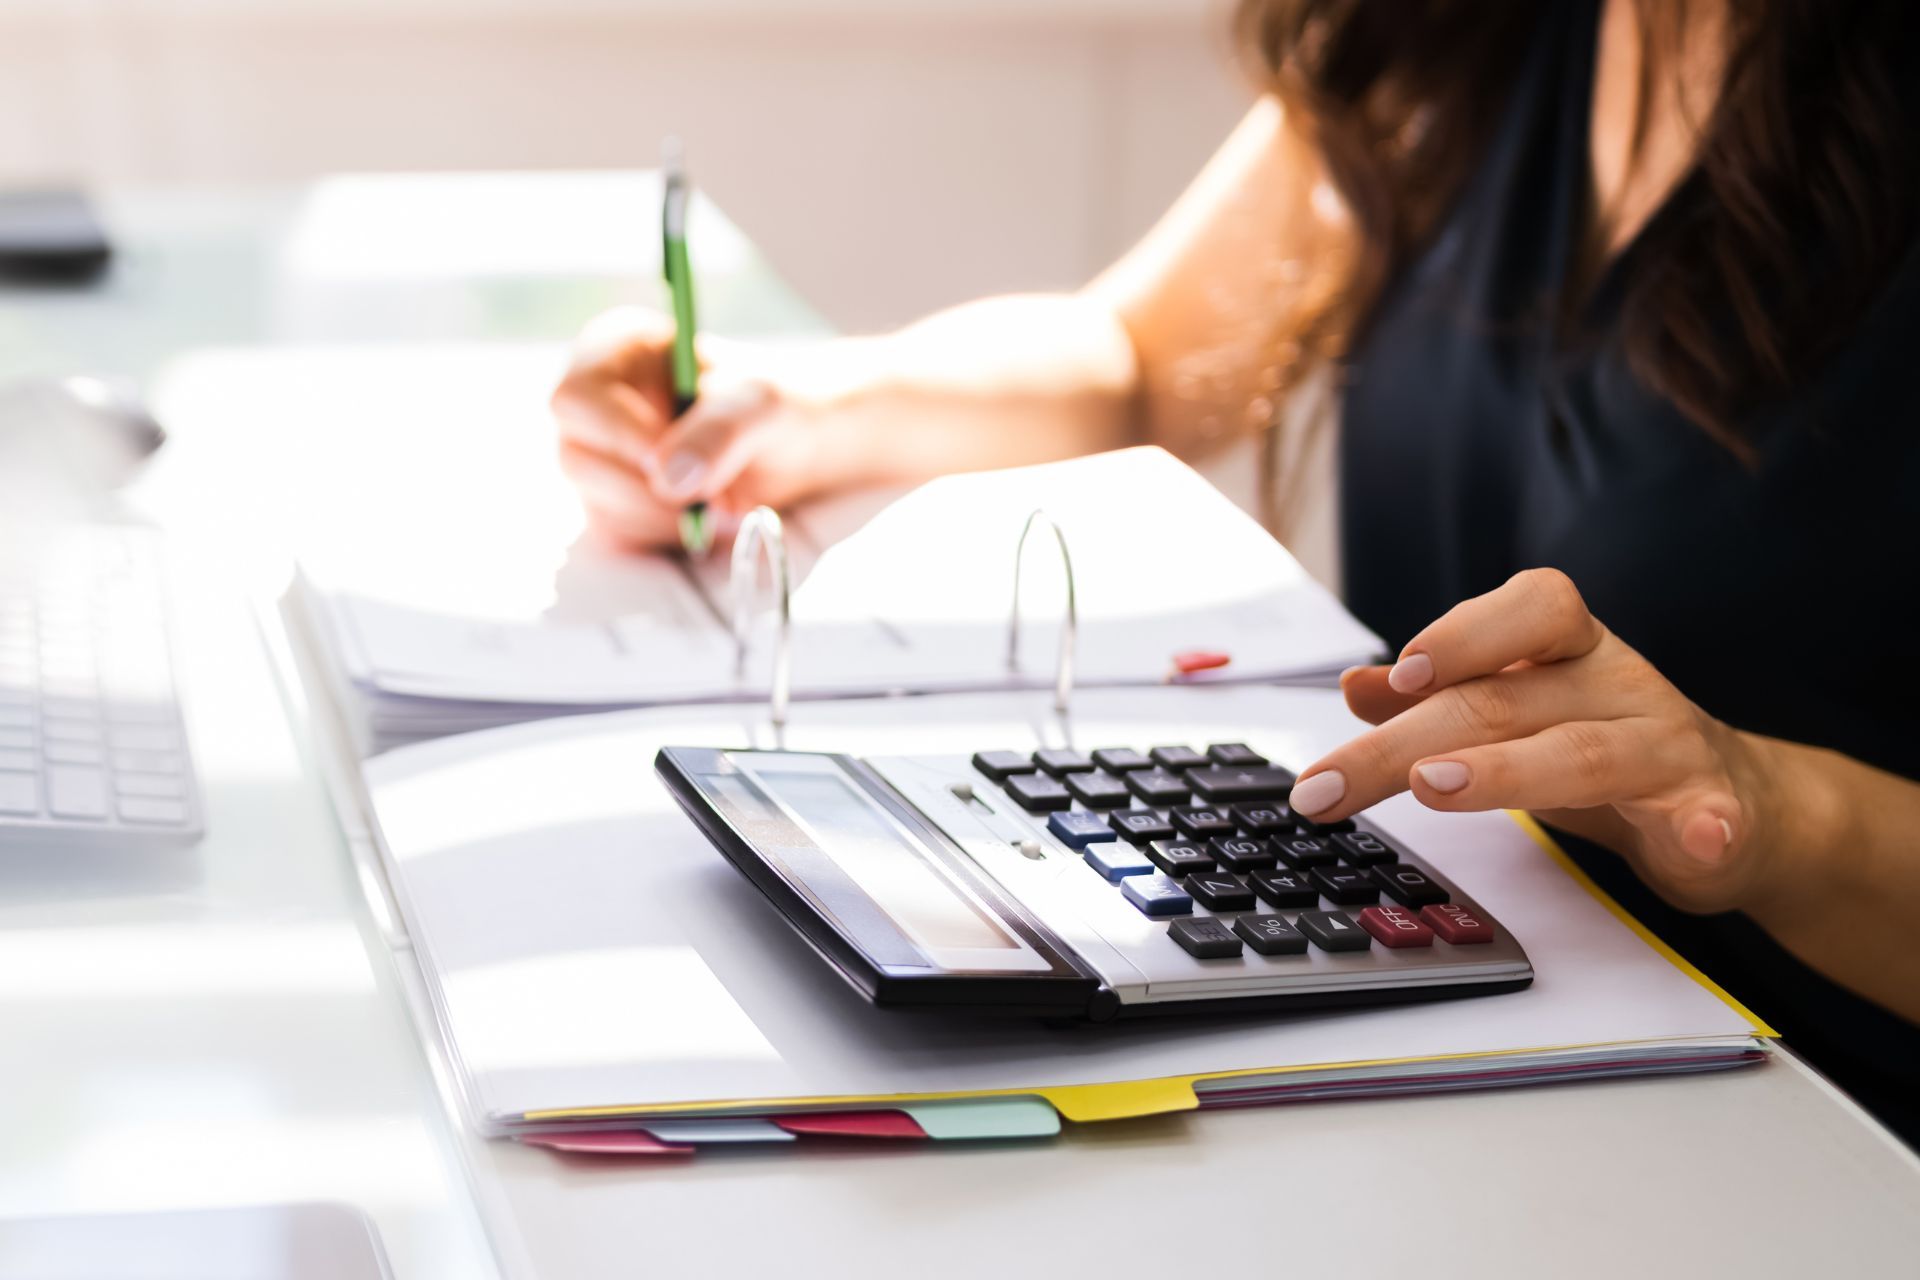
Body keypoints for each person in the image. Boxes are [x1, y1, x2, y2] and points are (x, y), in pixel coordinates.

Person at [550, 0, 1920, 1143]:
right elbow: (1147, 357)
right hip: (1446, 1061)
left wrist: (1771, 815)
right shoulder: (1466, 37)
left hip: (1817, 1141)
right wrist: (805, 408)